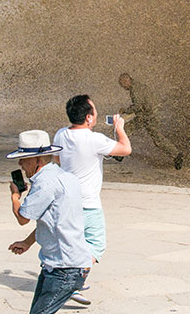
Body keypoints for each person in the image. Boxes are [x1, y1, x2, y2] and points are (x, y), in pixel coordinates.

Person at [52, 94, 131, 305]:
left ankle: (70, 283)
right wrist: (120, 127)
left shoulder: (60, 134)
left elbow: (58, 159)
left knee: (73, 245)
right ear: (88, 117)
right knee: (95, 245)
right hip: (88, 204)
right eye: (94, 111)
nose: (96, 113)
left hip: (66, 201)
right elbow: (125, 149)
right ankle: (73, 284)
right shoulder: (95, 140)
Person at [6, 129, 92, 314]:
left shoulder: (45, 184)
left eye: (24, 159)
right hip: (62, 266)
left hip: (64, 268)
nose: (20, 164)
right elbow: (53, 220)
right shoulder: (66, 177)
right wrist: (27, 242)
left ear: (39, 160)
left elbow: (23, 218)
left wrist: (15, 196)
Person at [118, 73, 184, 170]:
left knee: (126, 130)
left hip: (147, 116)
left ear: (127, 80)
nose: (123, 87)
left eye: (122, 83)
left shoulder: (135, 89)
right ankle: (176, 155)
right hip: (148, 115)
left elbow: (138, 106)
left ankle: (120, 153)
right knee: (157, 139)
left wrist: (125, 111)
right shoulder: (137, 86)